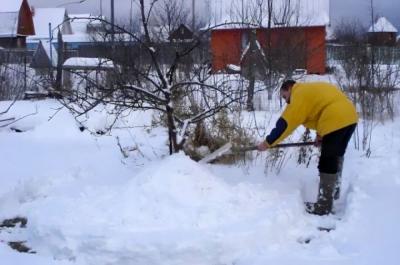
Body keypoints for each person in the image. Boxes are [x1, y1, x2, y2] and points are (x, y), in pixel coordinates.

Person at [257, 80, 358, 215]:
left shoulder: (298, 94)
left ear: (289, 88)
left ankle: (323, 206)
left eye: (285, 96)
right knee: (336, 155)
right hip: (350, 117)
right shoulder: (310, 89)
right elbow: (322, 108)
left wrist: (268, 142)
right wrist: (320, 135)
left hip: (335, 119)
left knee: (327, 161)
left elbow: (286, 123)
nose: (286, 101)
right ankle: (333, 193)